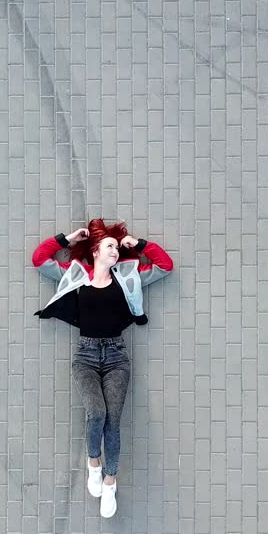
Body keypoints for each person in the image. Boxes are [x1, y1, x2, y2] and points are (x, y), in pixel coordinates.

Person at [31, 219, 174, 517]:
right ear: (95, 251)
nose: (115, 251)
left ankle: (110, 481)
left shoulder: (128, 276)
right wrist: (67, 239)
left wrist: (139, 244)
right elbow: (39, 259)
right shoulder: (76, 274)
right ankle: (94, 462)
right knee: (96, 412)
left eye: (117, 248)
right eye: (109, 246)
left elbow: (165, 266)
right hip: (85, 356)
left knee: (113, 421)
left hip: (116, 357)